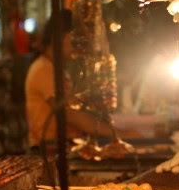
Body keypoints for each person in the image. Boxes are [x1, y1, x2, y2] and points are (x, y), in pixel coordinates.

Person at [25, 10, 124, 149]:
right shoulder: (43, 69)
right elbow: (70, 115)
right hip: (47, 152)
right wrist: (118, 134)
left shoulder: (57, 69)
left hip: (65, 147)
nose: (79, 45)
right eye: (76, 38)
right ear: (59, 37)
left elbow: (76, 108)